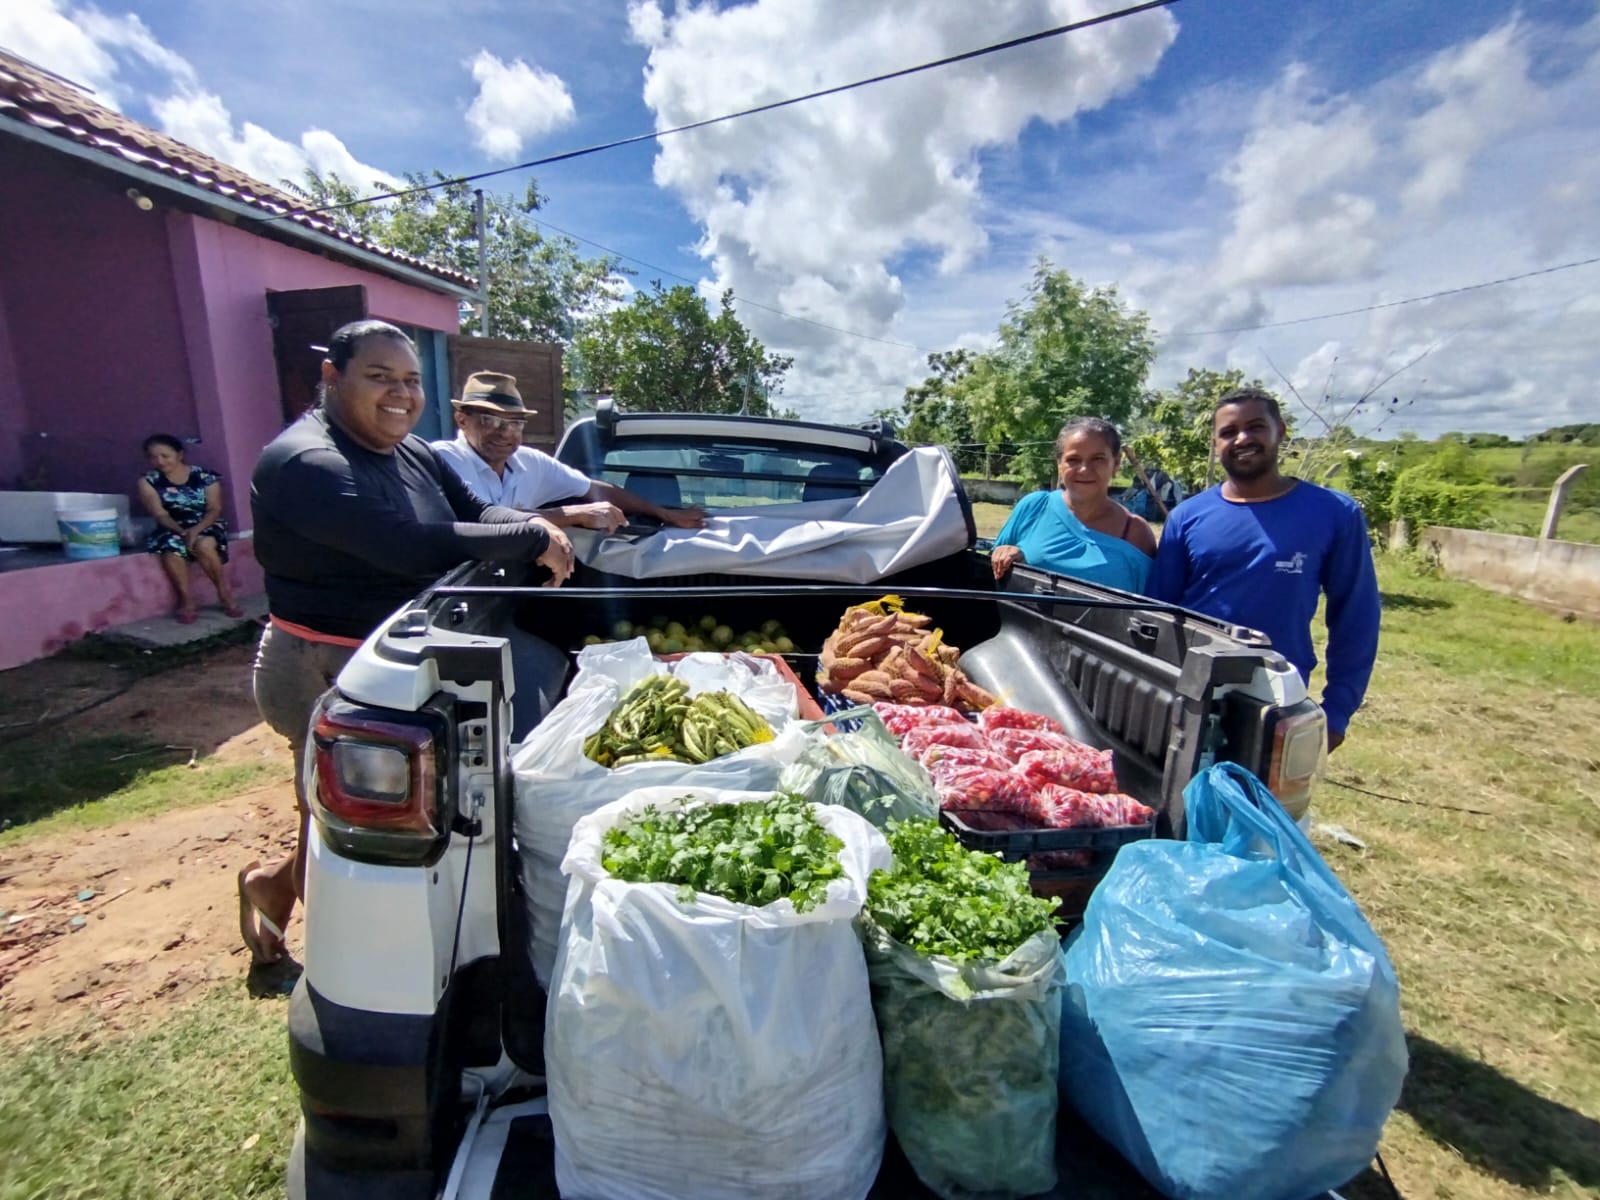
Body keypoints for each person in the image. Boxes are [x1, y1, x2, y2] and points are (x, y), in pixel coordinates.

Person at [238, 321, 573, 967]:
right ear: (332, 377)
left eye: (411, 380)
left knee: (344, 822)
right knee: (363, 836)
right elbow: (403, 544)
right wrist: (535, 539)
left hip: (404, 655)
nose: (400, 393)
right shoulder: (306, 462)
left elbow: (476, 511)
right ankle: (360, 976)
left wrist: (528, 522)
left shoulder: (412, 453)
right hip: (325, 668)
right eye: (379, 377)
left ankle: (269, 893)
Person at [1147, 386, 1380, 752]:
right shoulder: (1186, 518)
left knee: (1261, 805)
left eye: (1255, 426)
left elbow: (1356, 618)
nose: (1242, 439)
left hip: (1276, 699)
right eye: (1228, 432)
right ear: (1214, 442)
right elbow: (1157, 613)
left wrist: (1337, 711)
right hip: (1189, 694)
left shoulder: (1333, 514)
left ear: (1281, 430)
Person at [431, 372, 707, 533]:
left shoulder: (530, 462)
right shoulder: (441, 460)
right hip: (456, 598)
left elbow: (594, 489)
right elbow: (483, 522)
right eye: (489, 420)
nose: (505, 432)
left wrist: (665, 514)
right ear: (462, 420)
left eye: (515, 423)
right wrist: (574, 514)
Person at [991, 417, 1157, 592]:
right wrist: (1005, 554)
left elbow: (1150, 610)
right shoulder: (1034, 508)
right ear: (1059, 464)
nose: (1084, 469)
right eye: (1073, 460)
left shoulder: (1135, 533)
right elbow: (991, 581)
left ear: (1116, 463)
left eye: (1098, 458)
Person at [137, 434, 242, 623]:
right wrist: (182, 531)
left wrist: (195, 531)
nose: (159, 461)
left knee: (204, 545)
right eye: (153, 457)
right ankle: (186, 600)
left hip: (206, 523)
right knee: (170, 548)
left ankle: (223, 593)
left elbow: (214, 509)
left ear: (179, 454)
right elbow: (160, 514)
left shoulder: (205, 477)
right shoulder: (148, 481)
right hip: (171, 525)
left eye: (165, 456)